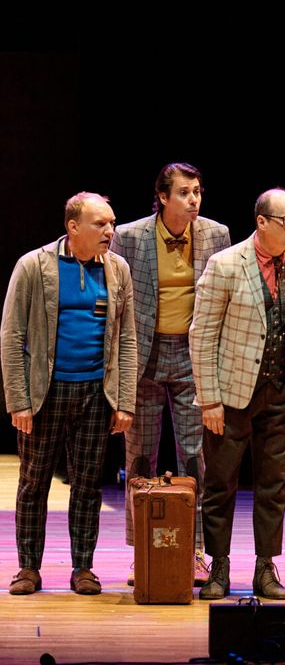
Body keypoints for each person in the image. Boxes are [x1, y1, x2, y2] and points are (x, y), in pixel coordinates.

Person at [1, 192, 138, 595]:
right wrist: (19, 401)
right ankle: (28, 567)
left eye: (112, 223)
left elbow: (127, 338)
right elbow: (11, 337)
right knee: (34, 483)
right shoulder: (34, 265)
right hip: (46, 393)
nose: (110, 231)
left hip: (96, 392)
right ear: (73, 227)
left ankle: (83, 568)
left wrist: (124, 401)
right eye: (101, 224)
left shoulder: (118, 269)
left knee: (88, 485)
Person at [189, 188, 285, 600]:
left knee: (273, 486)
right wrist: (210, 399)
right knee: (220, 483)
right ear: (261, 222)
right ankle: (219, 566)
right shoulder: (225, 264)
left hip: (281, 393)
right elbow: (202, 335)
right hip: (231, 396)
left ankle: (265, 567)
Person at [109, 162, 230, 583]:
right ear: (162, 197)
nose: (193, 200)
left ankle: (194, 550)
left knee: (195, 456)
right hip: (145, 353)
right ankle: (143, 548)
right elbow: (119, 304)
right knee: (139, 454)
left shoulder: (215, 234)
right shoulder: (129, 237)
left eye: (197, 191)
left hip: (192, 355)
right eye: (183, 192)